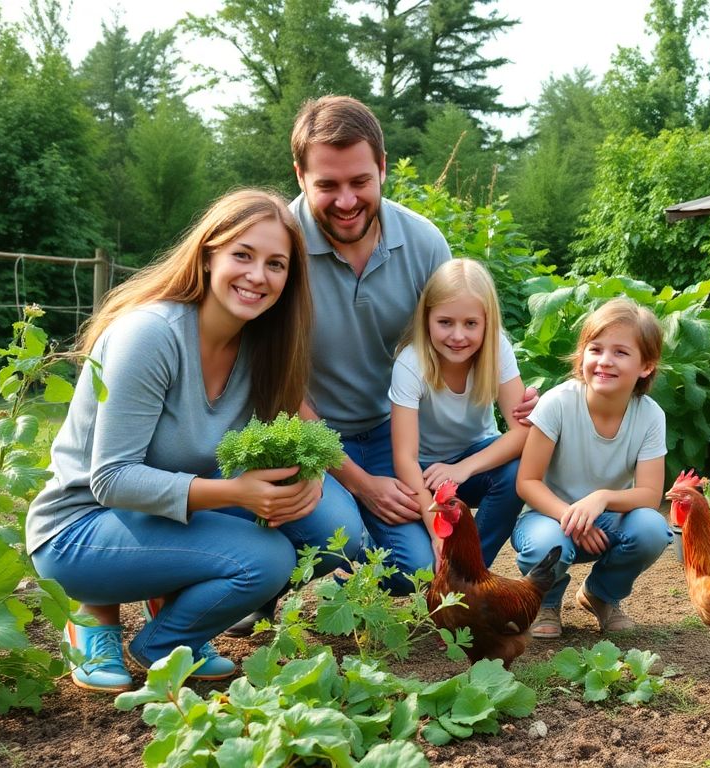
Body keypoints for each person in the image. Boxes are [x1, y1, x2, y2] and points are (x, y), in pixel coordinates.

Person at [25, 189, 363, 692]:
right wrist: (238, 493)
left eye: (276, 264)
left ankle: (172, 624)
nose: (257, 276)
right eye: (242, 255)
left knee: (335, 528)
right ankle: (100, 620)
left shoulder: (261, 344)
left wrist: (309, 472)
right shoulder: (151, 334)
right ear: (208, 255)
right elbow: (111, 479)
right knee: (266, 559)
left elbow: (291, 423)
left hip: (162, 515)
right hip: (81, 530)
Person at [257, 95, 535, 615]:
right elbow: (275, 381)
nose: (345, 200)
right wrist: (362, 485)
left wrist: (518, 401)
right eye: (327, 185)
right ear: (300, 175)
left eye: (360, 181)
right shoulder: (280, 247)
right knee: (333, 529)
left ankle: (463, 582)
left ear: (383, 168)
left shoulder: (424, 243)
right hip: (311, 439)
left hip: (391, 434)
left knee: (417, 571)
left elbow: (461, 333)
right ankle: (263, 584)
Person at [512, 299, 672, 639]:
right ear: (582, 355)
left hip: (605, 520)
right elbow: (527, 482)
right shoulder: (558, 403)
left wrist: (599, 499)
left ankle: (601, 595)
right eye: (595, 349)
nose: (604, 361)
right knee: (546, 543)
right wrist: (571, 514)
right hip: (546, 516)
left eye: (620, 353)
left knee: (652, 529)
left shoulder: (650, 415)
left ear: (646, 365)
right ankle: (546, 601)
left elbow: (649, 494)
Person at [389, 259, 527, 569]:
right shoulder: (411, 364)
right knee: (417, 563)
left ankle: (470, 569)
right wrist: (437, 531)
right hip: (422, 473)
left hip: (474, 462)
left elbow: (523, 432)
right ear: (427, 319)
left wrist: (463, 468)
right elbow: (404, 459)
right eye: (445, 322)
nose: (458, 335)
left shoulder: (497, 350)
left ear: (487, 323)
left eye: (470, 324)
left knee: (517, 470)